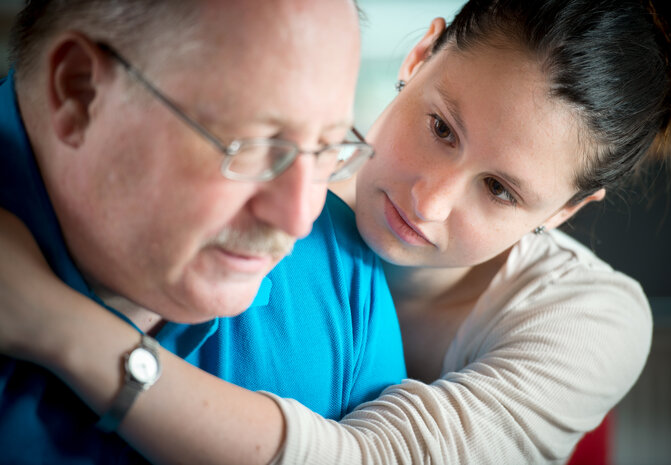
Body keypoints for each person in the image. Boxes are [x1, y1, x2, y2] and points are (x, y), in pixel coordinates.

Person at [2, 0, 671, 463]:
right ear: (421, 55)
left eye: (500, 190)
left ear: (565, 213)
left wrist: (57, 324)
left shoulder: (587, 318)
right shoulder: (308, 199)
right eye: (440, 128)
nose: (428, 200)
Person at [0, 0, 407, 463]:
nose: (299, 220)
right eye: (253, 148)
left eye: (327, 148)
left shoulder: (342, 264)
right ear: (80, 93)